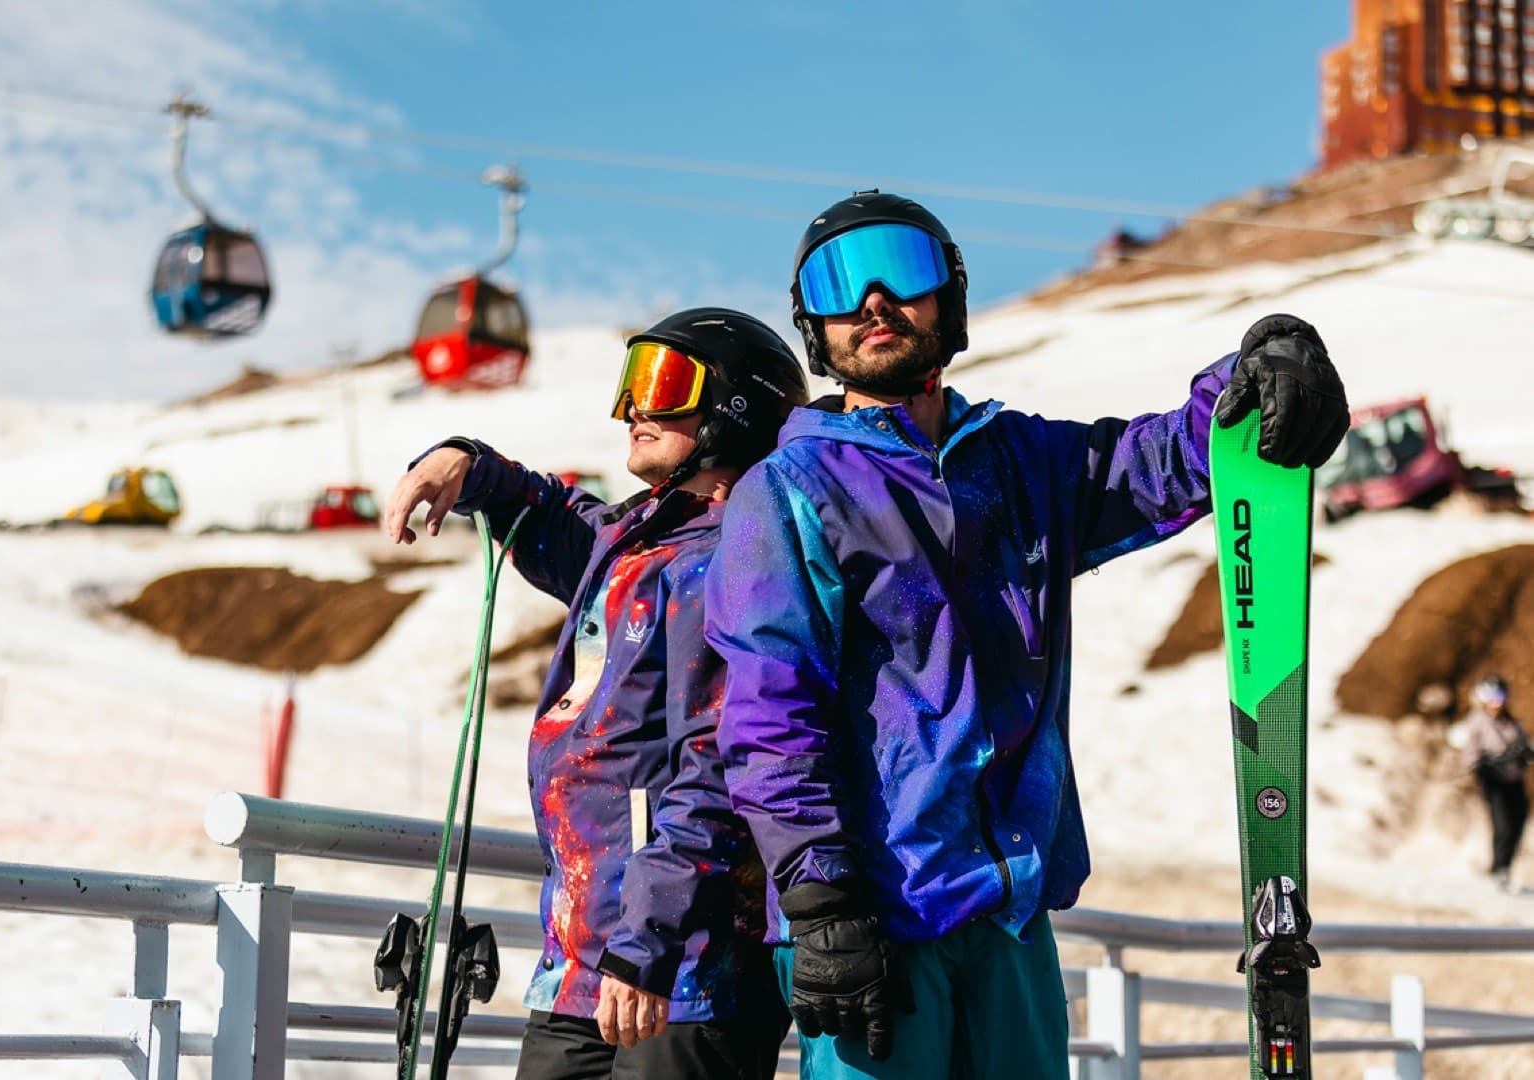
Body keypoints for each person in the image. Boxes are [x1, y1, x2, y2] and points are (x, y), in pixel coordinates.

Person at [702, 191, 1351, 1079]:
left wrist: (1270, 357)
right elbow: (769, 712)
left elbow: (1166, 460)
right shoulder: (788, 492)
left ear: (952, 294)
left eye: (905, 267)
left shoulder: (1019, 461)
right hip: (874, 918)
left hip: (1006, 910)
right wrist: (820, 900)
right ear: (813, 323)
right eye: (838, 282)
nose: (875, 300)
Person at [382, 308, 807, 1079]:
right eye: (631, 382)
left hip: (683, 970)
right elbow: (547, 514)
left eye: (664, 382)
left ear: (736, 410)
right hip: (585, 960)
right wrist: (464, 462)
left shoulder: (738, 564)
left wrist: (650, 945)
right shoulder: (639, 541)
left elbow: (720, 770)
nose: (636, 407)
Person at [1458, 674, 1532, 889]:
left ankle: (1505, 868)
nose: (1498, 703)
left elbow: (1524, 746)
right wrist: (1481, 766)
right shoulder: (1478, 722)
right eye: (1493, 697)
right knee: (1503, 824)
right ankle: (1498, 869)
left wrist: (1525, 754)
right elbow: (1469, 753)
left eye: (1501, 696)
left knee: (1518, 821)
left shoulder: (1512, 723)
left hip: (1514, 780)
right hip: (1494, 781)